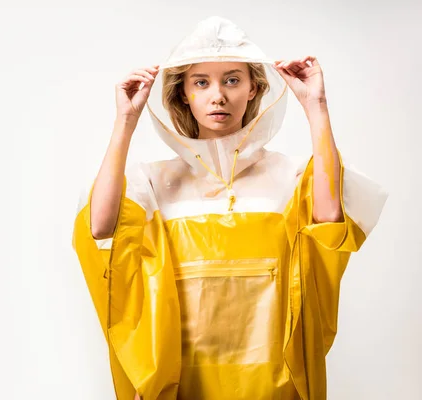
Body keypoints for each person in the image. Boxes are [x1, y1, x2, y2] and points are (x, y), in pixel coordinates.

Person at [72, 16, 388, 400]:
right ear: (184, 93)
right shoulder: (153, 183)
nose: (217, 95)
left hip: (273, 384)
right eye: (201, 82)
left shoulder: (291, 176)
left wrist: (316, 106)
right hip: (181, 381)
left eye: (232, 79)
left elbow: (329, 221)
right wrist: (125, 121)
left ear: (254, 88)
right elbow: (101, 228)